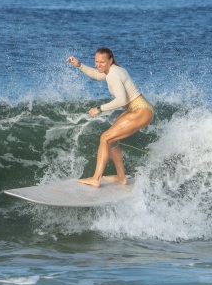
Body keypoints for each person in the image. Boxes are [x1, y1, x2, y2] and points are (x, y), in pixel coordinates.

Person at [66, 47, 154, 187]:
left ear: (110, 60)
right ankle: (121, 177)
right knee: (111, 140)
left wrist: (99, 109)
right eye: (96, 61)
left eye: (101, 62)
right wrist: (79, 65)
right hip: (138, 108)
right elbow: (97, 75)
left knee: (105, 138)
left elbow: (121, 100)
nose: (98, 65)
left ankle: (96, 179)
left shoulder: (113, 74)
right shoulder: (113, 70)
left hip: (140, 110)